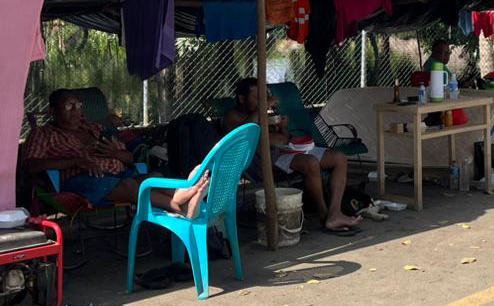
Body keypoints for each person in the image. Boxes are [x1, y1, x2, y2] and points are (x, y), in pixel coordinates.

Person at [25, 89, 209, 219]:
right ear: (53, 111)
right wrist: (76, 161)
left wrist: (116, 154)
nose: (75, 110)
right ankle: (183, 205)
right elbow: (31, 166)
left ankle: (186, 198)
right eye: (68, 106)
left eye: (78, 105)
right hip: (82, 181)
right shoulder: (43, 134)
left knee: (152, 177)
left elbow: (130, 158)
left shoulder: (95, 128)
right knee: (130, 185)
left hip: (119, 174)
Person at [223, 78, 361, 235]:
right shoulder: (232, 117)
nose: (262, 102)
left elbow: (283, 137)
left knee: (339, 158)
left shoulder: (262, 114)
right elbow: (245, 133)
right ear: (242, 99)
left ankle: (335, 212)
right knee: (311, 163)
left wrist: (283, 127)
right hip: (267, 160)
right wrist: (261, 109)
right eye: (257, 98)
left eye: (263, 98)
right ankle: (324, 215)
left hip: (288, 149)